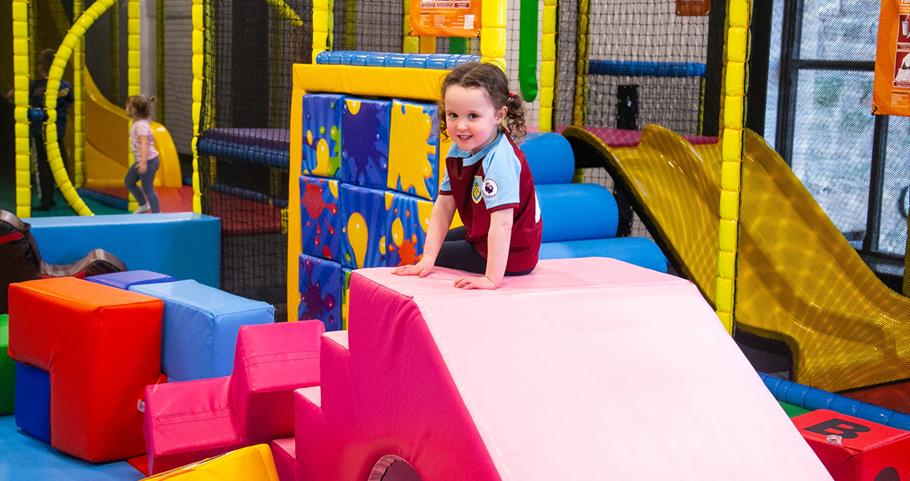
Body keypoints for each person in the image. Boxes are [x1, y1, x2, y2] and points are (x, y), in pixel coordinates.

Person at [393, 62, 542, 290]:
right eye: (453, 115)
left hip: (514, 252)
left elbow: (502, 224)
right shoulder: (459, 150)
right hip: (482, 233)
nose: (461, 125)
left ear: (499, 115)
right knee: (430, 248)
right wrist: (427, 260)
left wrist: (491, 278)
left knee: (437, 251)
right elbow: (444, 206)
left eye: (473, 116)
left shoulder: (500, 158)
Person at [9, 49, 75, 210]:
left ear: (40, 67)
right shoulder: (64, 85)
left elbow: (11, 94)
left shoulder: (36, 85)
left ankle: (47, 200)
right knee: (60, 165)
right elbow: (71, 104)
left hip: (41, 132)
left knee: (43, 166)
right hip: (56, 132)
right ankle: (69, 198)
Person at [124, 95, 160, 213]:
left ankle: (157, 215)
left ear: (133, 110)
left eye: (127, 107)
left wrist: (143, 162)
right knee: (129, 181)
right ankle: (143, 204)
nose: (126, 109)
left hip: (148, 161)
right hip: (142, 161)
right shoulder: (140, 123)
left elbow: (144, 143)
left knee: (147, 187)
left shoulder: (140, 126)